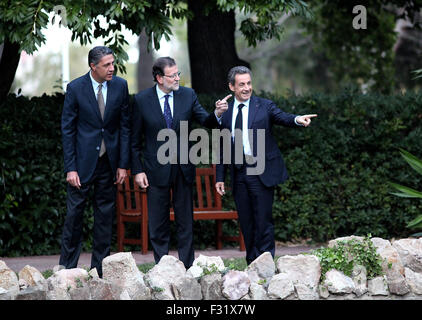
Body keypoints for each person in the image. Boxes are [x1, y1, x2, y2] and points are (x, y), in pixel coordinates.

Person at [131, 56, 229, 268]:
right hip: (155, 170)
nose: (177, 78)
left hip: (183, 168)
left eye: (178, 74)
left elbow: (205, 120)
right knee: (158, 223)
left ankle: (187, 265)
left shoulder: (187, 95)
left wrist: (217, 113)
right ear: (159, 78)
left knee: (185, 221)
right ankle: (162, 267)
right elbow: (133, 141)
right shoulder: (141, 100)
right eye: (172, 75)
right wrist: (137, 170)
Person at [215, 66, 317, 265]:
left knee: (263, 220)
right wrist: (220, 176)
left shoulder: (264, 106)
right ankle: (252, 263)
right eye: (241, 84)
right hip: (238, 172)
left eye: (249, 83)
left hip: (260, 169)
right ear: (232, 87)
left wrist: (297, 119)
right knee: (246, 221)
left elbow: (283, 117)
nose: (246, 88)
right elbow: (223, 146)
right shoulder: (225, 113)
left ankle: (267, 263)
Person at [60, 46, 130, 277]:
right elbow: (67, 130)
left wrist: (122, 164)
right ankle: (67, 269)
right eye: (107, 65)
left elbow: (124, 127)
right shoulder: (76, 88)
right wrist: (70, 168)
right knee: (74, 216)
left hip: (108, 164)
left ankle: (99, 269)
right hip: (81, 165)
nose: (112, 68)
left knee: (104, 216)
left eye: (112, 63)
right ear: (93, 66)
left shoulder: (120, 85)